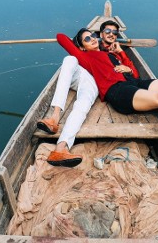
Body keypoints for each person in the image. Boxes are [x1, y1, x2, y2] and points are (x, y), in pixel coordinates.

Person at [36, 26, 137, 167]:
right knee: (70, 59)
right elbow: (60, 36)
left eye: (94, 36)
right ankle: (55, 117)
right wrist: (83, 47)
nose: (93, 39)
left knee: (81, 107)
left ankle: (61, 148)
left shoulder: (111, 53)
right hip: (79, 73)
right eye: (88, 38)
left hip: (94, 82)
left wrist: (120, 52)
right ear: (82, 46)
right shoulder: (82, 54)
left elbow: (132, 73)